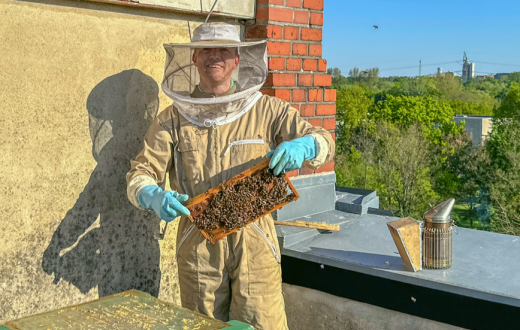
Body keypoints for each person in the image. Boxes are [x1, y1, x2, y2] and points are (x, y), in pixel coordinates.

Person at [126, 23, 335, 330]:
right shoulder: (171, 119)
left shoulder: (268, 110)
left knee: (263, 323)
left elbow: (324, 142)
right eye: (207, 50)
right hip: (198, 241)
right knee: (203, 325)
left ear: (238, 58)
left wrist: (306, 145)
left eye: (224, 49)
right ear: (194, 58)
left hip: (257, 238)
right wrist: (152, 195)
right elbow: (140, 173)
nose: (216, 57)